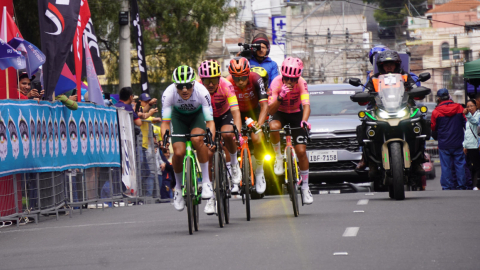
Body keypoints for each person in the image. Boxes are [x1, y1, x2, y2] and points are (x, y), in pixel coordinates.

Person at [160, 65, 216, 214]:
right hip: (178, 119)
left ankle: (206, 182)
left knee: (198, 140)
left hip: (197, 117)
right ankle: (178, 188)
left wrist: (210, 138)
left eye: (188, 86)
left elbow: (210, 121)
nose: (184, 90)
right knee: (178, 153)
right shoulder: (168, 93)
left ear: (193, 84)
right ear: (175, 85)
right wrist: (164, 140)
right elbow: (165, 122)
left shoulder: (202, 92)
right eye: (180, 86)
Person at [268, 57, 313, 204]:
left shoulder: (302, 83)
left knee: (301, 151)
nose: (289, 82)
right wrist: (280, 97)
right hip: (279, 112)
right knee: (273, 127)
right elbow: (270, 110)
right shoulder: (276, 82)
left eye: (293, 79)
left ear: (298, 77)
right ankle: (278, 157)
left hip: (295, 113)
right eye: (287, 78)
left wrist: (304, 121)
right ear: (283, 75)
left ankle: (305, 187)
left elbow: (306, 105)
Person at [197, 59, 243, 196]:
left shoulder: (227, 85)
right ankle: (209, 188)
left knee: (227, 134)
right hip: (207, 118)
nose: (210, 84)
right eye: (206, 81)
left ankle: (234, 165)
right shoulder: (197, 88)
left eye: (214, 80)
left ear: (219, 78)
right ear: (201, 80)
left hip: (224, 115)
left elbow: (235, 112)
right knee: (209, 153)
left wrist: (238, 134)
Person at [226, 57, 268, 194]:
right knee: (227, 137)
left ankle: (259, 171)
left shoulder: (256, 79)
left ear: (248, 73)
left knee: (257, 138)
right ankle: (231, 172)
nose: (240, 82)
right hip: (235, 112)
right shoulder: (227, 82)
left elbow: (264, 105)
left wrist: (259, 125)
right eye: (236, 78)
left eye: (243, 78)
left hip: (253, 112)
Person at [431, 88, 467, 190]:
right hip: (458, 142)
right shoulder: (459, 108)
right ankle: (461, 186)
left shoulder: (436, 112)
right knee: (460, 165)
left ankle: (447, 187)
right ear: (449, 96)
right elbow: (466, 123)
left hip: (444, 143)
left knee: (446, 166)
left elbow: (433, 127)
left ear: (438, 99)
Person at [463, 99, 480, 190]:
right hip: (469, 145)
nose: (469, 108)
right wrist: (464, 145)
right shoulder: (469, 117)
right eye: (468, 106)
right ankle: (473, 185)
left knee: (477, 166)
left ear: (476, 106)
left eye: (471, 106)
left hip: (475, 145)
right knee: (471, 166)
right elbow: (467, 133)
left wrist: (467, 115)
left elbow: (475, 122)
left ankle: (477, 185)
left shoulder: (478, 115)